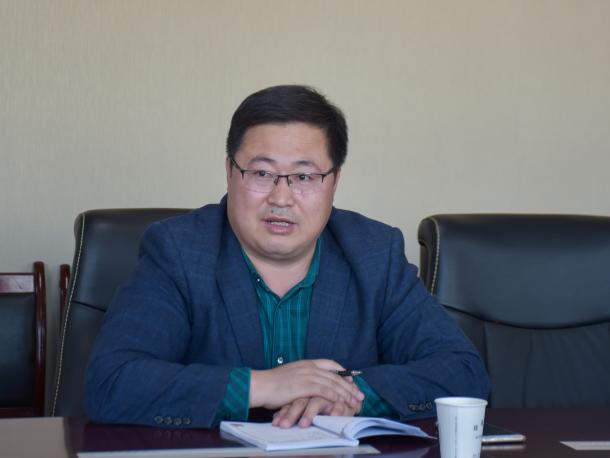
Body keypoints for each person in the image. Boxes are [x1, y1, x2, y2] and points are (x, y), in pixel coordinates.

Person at [85, 85, 490, 429]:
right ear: (230, 171)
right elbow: (111, 382)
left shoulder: (373, 253)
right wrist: (263, 385)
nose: (282, 197)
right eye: (261, 173)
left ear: (334, 181)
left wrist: (349, 394)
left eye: (304, 176)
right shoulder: (178, 251)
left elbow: (463, 372)